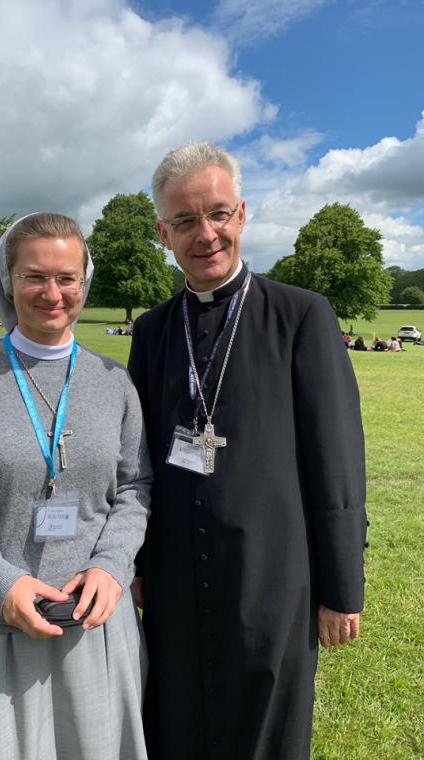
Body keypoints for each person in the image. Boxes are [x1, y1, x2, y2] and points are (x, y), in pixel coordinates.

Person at [127, 143, 367, 760]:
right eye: (184, 221)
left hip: (273, 573)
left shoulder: (301, 315)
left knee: (267, 729)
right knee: (175, 718)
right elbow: (138, 461)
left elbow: (337, 460)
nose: (205, 234)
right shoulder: (152, 330)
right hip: (175, 574)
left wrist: (342, 587)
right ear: (163, 233)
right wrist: (136, 565)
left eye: (217, 214)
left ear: (241, 214)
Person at [0, 212, 151, 760]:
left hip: (95, 625)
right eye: (34, 276)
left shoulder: (114, 382)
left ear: (84, 282)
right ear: (7, 280)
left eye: (67, 278)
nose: (52, 293)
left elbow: (135, 487)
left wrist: (111, 566)